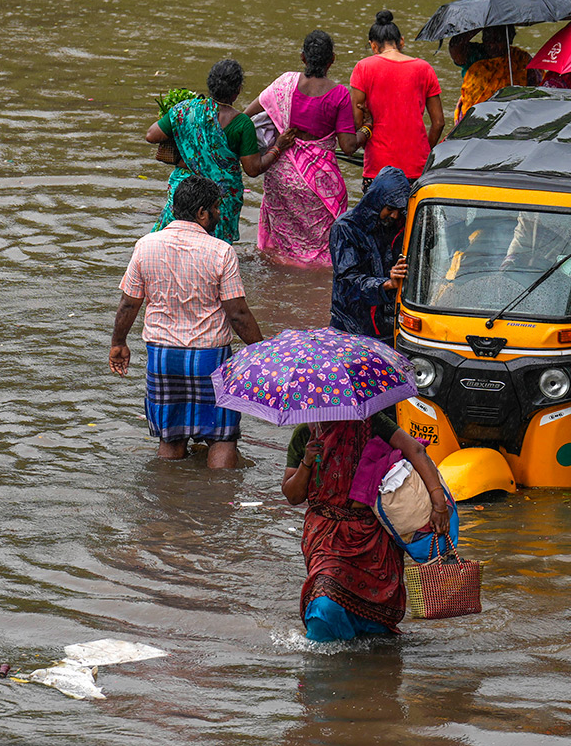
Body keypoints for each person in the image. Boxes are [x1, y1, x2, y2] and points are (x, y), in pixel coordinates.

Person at [108, 175, 264, 468]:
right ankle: (219, 504)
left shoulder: (146, 246)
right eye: (216, 208)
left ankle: (168, 499)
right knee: (222, 436)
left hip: (163, 358)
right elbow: (238, 314)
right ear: (202, 213)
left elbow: (129, 302)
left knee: (171, 437)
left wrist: (118, 343)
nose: (220, 214)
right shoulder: (221, 252)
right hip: (210, 358)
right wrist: (264, 350)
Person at [281, 413, 450, 641]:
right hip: (326, 536)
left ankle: (367, 664)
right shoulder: (305, 433)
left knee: (376, 620)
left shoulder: (373, 423)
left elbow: (415, 450)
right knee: (324, 599)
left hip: (372, 535)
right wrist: (307, 461)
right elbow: (292, 495)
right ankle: (322, 661)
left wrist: (438, 501)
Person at [243, 30, 368, 268]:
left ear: (303, 58)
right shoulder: (340, 94)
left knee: (282, 247)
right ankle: (314, 283)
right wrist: (367, 129)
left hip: (280, 174)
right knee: (321, 250)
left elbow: (247, 117)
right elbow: (348, 146)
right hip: (318, 184)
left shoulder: (284, 84)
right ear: (332, 60)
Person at [146, 59, 288, 245]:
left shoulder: (185, 110)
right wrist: (279, 146)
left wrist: (186, 137)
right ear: (237, 91)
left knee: (174, 242)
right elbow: (253, 169)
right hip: (218, 200)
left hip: (185, 191)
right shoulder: (242, 124)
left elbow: (151, 135)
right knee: (213, 249)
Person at [349, 10, 444, 189]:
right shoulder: (425, 69)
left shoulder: (363, 68)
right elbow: (438, 123)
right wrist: (424, 151)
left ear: (373, 46)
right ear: (401, 41)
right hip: (416, 168)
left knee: (378, 216)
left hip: (378, 168)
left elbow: (356, 121)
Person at [328, 166, 410, 344]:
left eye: (399, 210)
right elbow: (347, 282)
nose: (395, 215)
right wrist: (387, 284)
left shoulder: (401, 226)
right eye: (390, 209)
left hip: (387, 322)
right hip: (350, 324)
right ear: (376, 200)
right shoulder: (345, 228)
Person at [450, 24, 533, 123]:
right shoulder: (473, 54)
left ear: (509, 39)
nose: (492, 45)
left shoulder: (520, 59)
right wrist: (480, 24)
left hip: (509, 120)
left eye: (498, 40)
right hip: (474, 121)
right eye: (487, 39)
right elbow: (455, 46)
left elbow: (535, 88)